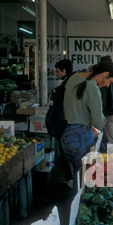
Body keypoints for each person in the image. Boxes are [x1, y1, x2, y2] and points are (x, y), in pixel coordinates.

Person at [61, 60, 113, 189]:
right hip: (81, 136)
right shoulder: (92, 87)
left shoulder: (73, 78)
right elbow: (98, 121)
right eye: (110, 81)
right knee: (85, 184)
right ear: (105, 74)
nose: (108, 85)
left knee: (78, 179)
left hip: (67, 135)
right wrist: (102, 122)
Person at [51, 59, 74, 188]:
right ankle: (72, 179)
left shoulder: (61, 85)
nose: (56, 73)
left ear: (64, 71)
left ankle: (70, 180)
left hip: (64, 123)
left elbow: (57, 108)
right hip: (72, 124)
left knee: (66, 153)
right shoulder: (73, 83)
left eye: (58, 71)